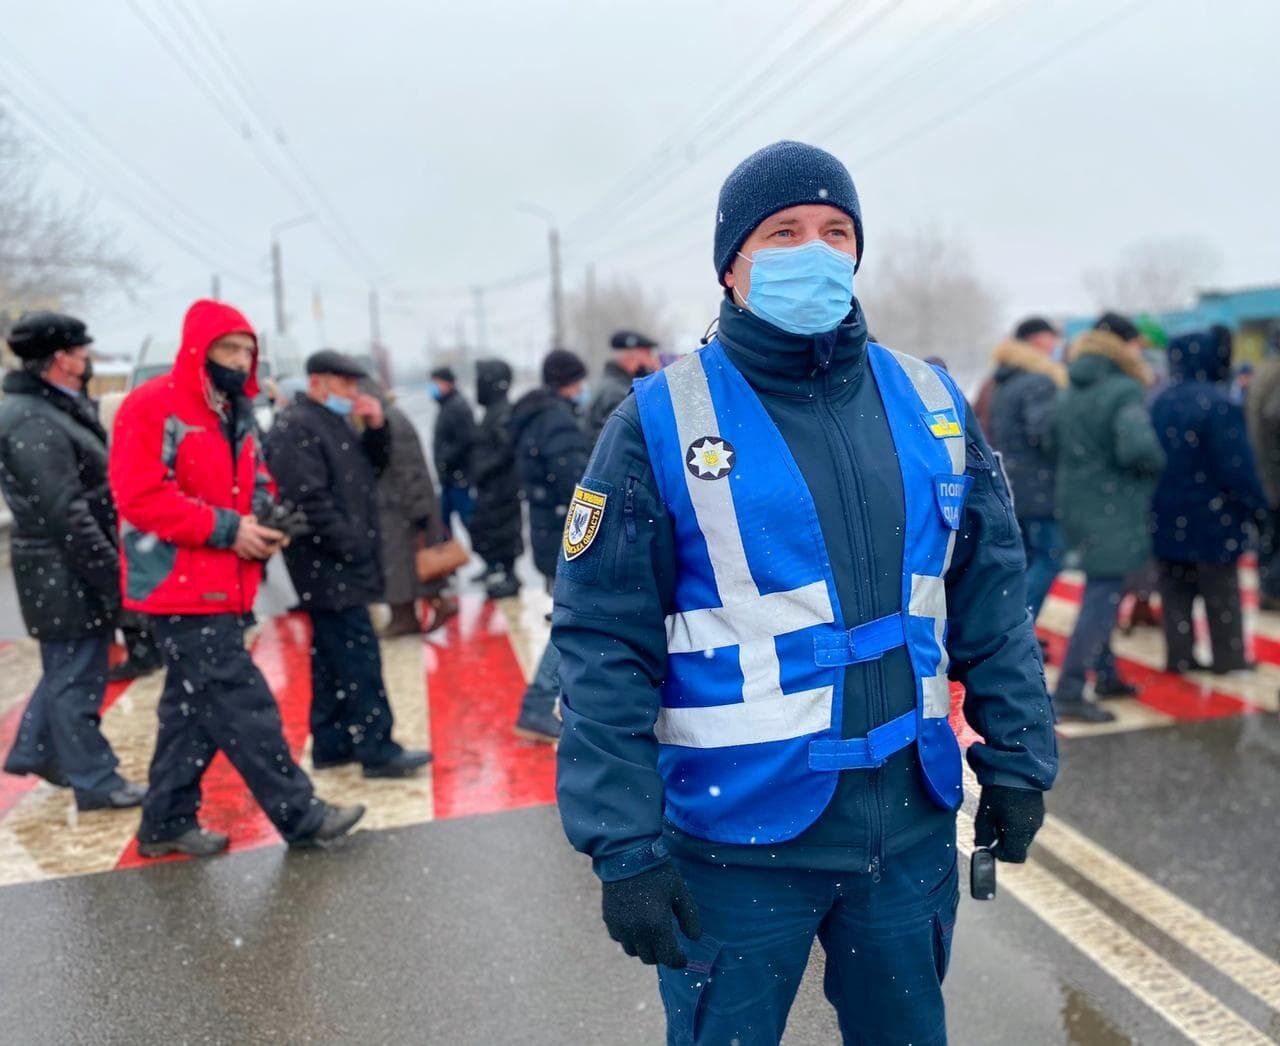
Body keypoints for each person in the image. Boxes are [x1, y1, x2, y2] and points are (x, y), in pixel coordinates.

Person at [554, 141, 1057, 1045]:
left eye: (835, 231)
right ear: (732, 263)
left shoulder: (932, 400)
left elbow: (992, 598)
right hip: (733, 843)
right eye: (783, 232)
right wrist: (622, 845)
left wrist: (1019, 758)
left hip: (907, 832)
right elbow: (600, 643)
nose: (814, 250)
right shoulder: (658, 422)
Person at [110, 300, 363, 857]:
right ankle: (300, 814)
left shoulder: (233, 410)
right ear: (199, 349)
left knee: (191, 709)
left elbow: (254, 477)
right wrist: (229, 530)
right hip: (176, 582)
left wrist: (268, 517)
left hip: (224, 581)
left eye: (248, 350)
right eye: (229, 348)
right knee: (241, 700)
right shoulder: (153, 407)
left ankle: (165, 820)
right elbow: (140, 494)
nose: (241, 359)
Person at [0, 312, 145, 810]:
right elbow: (65, 511)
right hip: (62, 567)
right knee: (77, 676)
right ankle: (96, 781)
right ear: (61, 359)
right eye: (83, 351)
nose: (88, 359)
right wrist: (110, 571)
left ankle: (37, 750)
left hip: (65, 566)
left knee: (70, 667)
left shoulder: (49, 406)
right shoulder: (31, 417)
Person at [265, 350, 432, 778]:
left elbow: (366, 470)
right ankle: (378, 749)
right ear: (318, 382)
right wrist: (353, 545)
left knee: (331, 656)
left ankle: (332, 742)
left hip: (340, 560)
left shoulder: (330, 421)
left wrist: (375, 428)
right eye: (345, 385)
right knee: (359, 657)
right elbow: (310, 500)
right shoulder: (298, 427)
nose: (353, 393)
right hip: (328, 563)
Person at [1052, 313, 1166, 723]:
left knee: (1100, 592)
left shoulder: (1069, 389)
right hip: (1113, 507)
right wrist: (1156, 461)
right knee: (1102, 599)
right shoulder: (1123, 391)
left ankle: (1106, 675)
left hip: (1078, 504)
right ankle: (1068, 688)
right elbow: (1139, 449)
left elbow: (1051, 441)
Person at [1152, 327, 1265, 673]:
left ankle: (1180, 654)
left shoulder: (1160, 400)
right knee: (1221, 591)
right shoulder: (1218, 404)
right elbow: (1236, 464)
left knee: (1175, 588)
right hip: (1212, 513)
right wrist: (1257, 504)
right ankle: (1228, 657)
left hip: (1165, 511)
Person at [508, 348, 592, 743]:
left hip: (547, 531)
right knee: (572, 623)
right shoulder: (557, 421)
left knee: (572, 620)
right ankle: (538, 704)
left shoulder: (532, 415)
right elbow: (578, 483)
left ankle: (552, 701)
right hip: (567, 534)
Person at [987, 317, 1068, 624]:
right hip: (1040, 488)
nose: (1056, 345)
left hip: (1014, 484)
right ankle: (1018, 625)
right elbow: (1045, 433)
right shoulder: (1040, 381)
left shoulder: (1005, 381)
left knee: (1028, 558)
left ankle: (1014, 624)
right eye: (1051, 338)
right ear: (1036, 342)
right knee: (1049, 557)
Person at [365, 379, 458, 637]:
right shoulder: (386, 418)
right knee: (406, 565)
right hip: (395, 506)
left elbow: (410, 469)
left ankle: (408, 616)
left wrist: (418, 510)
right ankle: (414, 613)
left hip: (400, 508)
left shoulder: (390, 420)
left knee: (405, 565)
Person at [470, 358, 524, 599]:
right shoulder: (493, 409)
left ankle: (510, 576)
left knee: (504, 529)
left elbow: (505, 451)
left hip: (501, 485)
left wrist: (483, 469)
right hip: (491, 485)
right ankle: (496, 567)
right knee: (489, 528)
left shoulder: (502, 411)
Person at [1246, 336, 1280, 608]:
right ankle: (1273, 591)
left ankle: (1268, 590)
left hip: (1261, 468)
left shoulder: (1263, 370)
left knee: (1268, 536)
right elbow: (1275, 414)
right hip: (1274, 470)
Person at [583, 330, 660, 445]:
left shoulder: (612, 385)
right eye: (648, 355)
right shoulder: (617, 392)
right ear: (631, 358)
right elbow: (620, 440)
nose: (654, 362)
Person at [429, 366, 477, 536]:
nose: (432, 387)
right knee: (441, 523)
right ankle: (447, 557)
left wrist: (445, 458)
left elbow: (467, 439)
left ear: (448, 384)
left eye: (436, 383)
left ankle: (490, 556)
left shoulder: (457, 407)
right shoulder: (446, 405)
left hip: (459, 476)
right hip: (449, 478)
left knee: (469, 521)